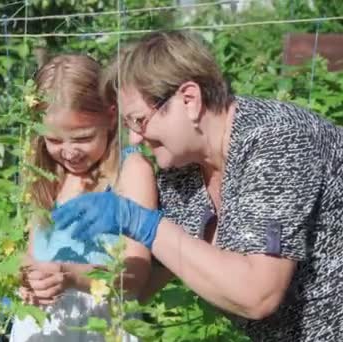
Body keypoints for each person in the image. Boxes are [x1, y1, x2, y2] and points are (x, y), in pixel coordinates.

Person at [52, 31, 343, 341]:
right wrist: (63, 274)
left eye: (139, 121)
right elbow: (141, 285)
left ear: (189, 100)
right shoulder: (182, 173)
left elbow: (258, 294)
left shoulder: (278, 141)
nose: (135, 139)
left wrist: (139, 221)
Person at [9, 54, 158, 341]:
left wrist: (72, 277)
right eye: (53, 140)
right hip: (42, 327)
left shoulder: (130, 172)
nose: (69, 151)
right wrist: (29, 278)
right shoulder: (48, 175)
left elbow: (136, 276)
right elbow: (32, 252)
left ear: (111, 116)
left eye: (82, 138)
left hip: (101, 325)